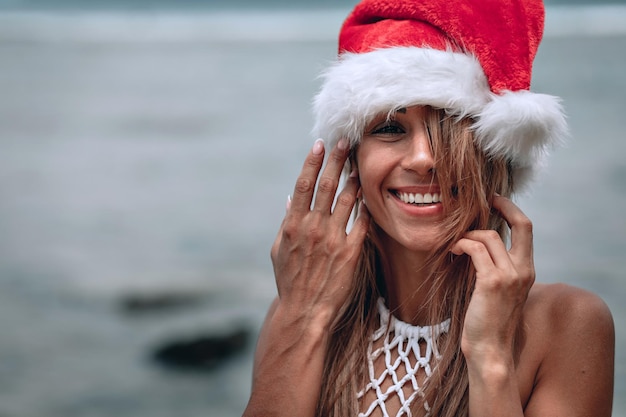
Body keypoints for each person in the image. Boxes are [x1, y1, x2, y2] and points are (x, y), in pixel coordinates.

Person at [243, 0, 615, 416]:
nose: (423, 158)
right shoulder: (299, 310)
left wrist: (491, 358)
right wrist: (303, 318)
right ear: (352, 161)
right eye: (388, 128)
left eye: (451, 128)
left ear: (499, 159)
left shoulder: (567, 323)